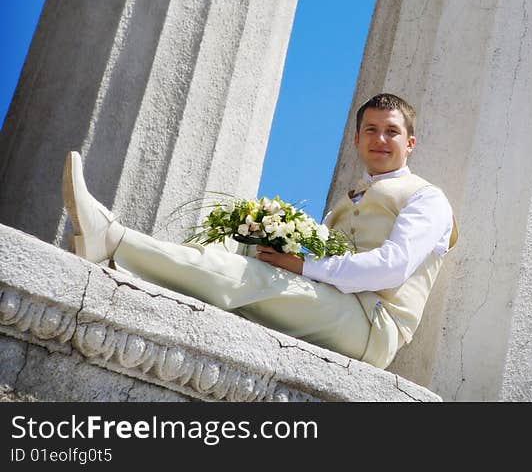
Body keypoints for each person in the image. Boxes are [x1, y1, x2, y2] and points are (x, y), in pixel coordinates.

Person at [61, 93, 457, 369]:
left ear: (410, 142)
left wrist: (301, 266)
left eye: (391, 131)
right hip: (333, 305)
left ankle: (114, 240)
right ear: (356, 140)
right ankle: (135, 265)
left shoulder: (428, 200)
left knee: (254, 278)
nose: (380, 139)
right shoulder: (348, 199)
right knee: (240, 246)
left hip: (372, 324)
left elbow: (393, 267)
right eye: (370, 130)